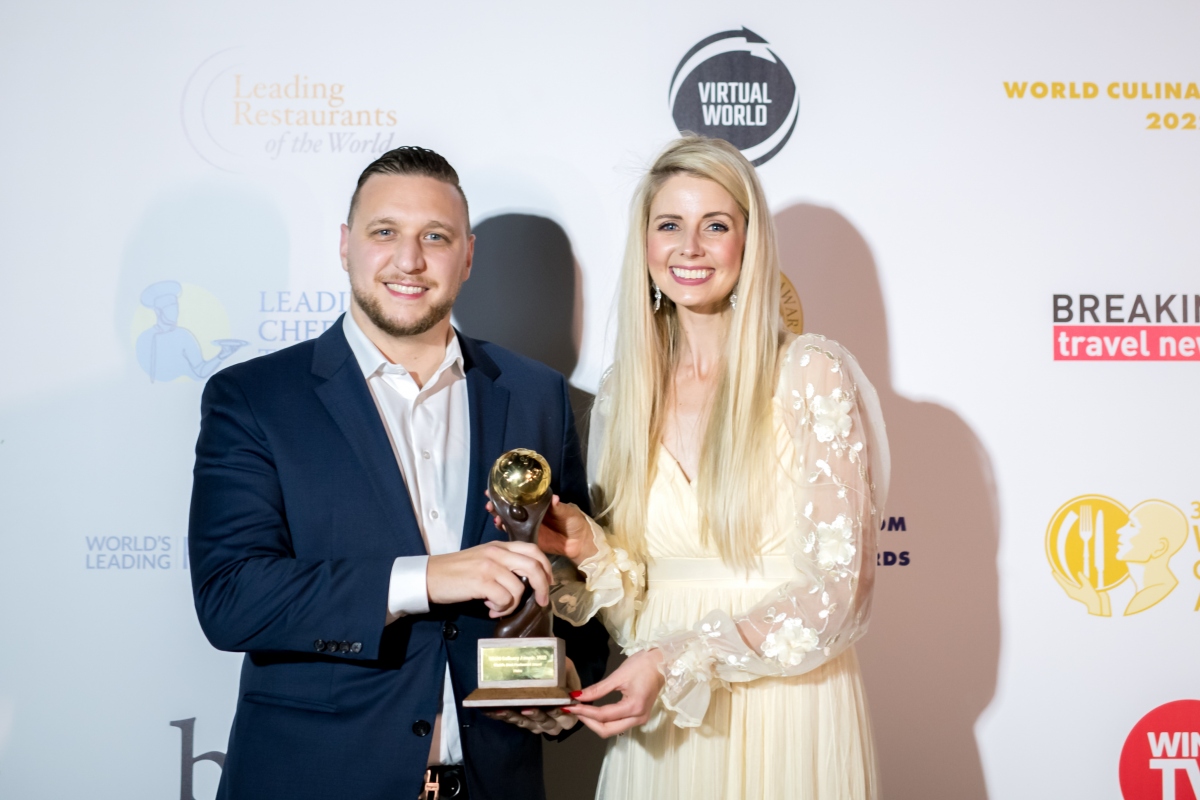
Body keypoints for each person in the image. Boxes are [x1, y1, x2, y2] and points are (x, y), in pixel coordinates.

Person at [188, 146, 609, 800]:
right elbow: (231, 598)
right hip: (318, 780)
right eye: (384, 231)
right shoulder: (256, 398)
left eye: (434, 237)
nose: (409, 260)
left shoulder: (536, 394)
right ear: (345, 245)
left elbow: (576, 580)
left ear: (467, 256)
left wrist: (565, 685)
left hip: (494, 780)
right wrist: (428, 577)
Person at [493, 136, 890, 799]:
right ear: (645, 243)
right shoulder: (626, 392)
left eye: (716, 226)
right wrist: (592, 552)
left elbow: (838, 595)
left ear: (750, 242)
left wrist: (676, 659)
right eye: (670, 225)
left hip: (787, 714)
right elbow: (640, 612)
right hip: (665, 721)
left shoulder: (810, 373)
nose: (691, 247)